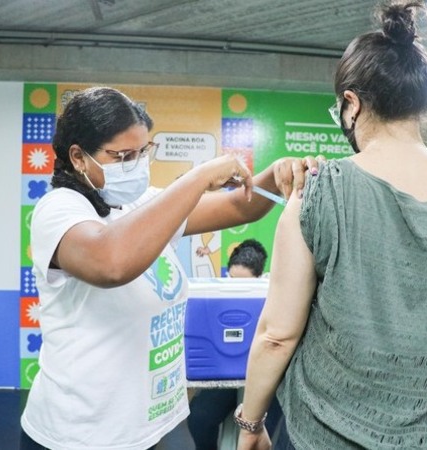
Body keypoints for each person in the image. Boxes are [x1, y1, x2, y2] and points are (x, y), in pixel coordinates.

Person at [236, 2, 427, 449]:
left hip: (331, 435)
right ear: (420, 103)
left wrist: (251, 425)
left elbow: (277, 335)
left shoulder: (319, 193)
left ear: (350, 104)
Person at [19, 86, 320, 450]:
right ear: (79, 157)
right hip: (80, 436)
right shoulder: (58, 210)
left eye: (142, 152)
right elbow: (112, 263)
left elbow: (240, 208)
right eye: (123, 156)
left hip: (153, 425)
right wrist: (197, 179)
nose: (136, 164)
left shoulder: (139, 204)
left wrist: (276, 173)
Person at [187, 239, 283, 449]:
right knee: (199, 418)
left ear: (260, 278)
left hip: (266, 381)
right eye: (231, 279)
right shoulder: (215, 296)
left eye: (244, 283)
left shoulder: (275, 296)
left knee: (262, 434)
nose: (234, 286)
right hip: (228, 375)